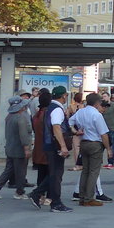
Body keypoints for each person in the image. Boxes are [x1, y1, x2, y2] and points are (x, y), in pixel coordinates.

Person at [30, 85, 74, 213]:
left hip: (50, 144)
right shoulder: (57, 110)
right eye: (66, 95)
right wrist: (63, 146)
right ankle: (55, 203)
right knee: (56, 175)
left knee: (54, 174)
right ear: (63, 96)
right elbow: (56, 127)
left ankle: (37, 193)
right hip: (55, 146)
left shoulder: (50, 108)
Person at [0, 95, 34, 200]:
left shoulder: (9, 117)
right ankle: (19, 192)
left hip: (10, 147)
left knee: (9, 169)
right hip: (19, 149)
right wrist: (27, 148)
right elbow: (23, 135)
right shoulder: (21, 118)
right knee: (21, 171)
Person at [30, 89, 51, 206]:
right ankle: (43, 195)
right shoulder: (46, 115)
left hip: (38, 147)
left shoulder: (36, 115)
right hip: (46, 147)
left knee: (41, 172)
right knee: (50, 172)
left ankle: (40, 196)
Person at [101, 92, 114, 170]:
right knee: (103, 145)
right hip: (104, 129)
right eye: (102, 96)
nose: (104, 98)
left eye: (105, 96)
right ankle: (100, 161)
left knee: (111, 146)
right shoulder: (102, 106)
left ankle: (111, 162)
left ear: (109, 97)